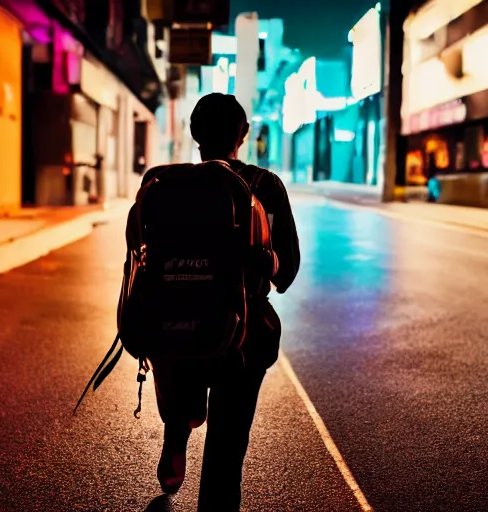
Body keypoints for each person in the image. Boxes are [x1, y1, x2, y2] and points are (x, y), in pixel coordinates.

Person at [125, 93, 300, 510]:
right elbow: (286, 273)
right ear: (243, 134)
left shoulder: (161, 184)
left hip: (170, 327)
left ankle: (177, 431)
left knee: (182, 382)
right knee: (225, 453)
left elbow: (137, 256)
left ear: (193, 135)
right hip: (241, 337)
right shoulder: (265, 186)